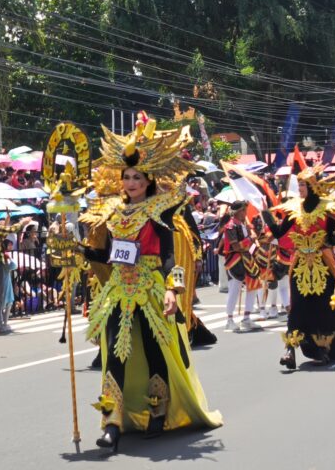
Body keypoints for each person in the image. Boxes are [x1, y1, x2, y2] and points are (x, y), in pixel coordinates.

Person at [79, 118, 222, 451]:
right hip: (117, 289)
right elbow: (104, 253)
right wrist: (72, 250)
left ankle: (158, 411)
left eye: (137, 178)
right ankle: (111, 421)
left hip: (151, 287)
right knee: (115, 352)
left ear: (148, 180)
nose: (130, 183)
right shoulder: (111, 212)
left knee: (157, 350)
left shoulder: (160, 210)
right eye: (127, 177)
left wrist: (172, 290)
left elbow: (171, 258)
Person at [264, 165, 335, 369]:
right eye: (299, 184)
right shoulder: (293, 208)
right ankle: (289, 349)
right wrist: (264, 212)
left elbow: (331, 237)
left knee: (323, 308)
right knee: (297, 308)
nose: (300, 188)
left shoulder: (327, 208)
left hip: (322, 263)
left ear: (312, 185)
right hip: (301, 264)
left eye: (303, 184)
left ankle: (322, 347)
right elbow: (278, 232)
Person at [221, 200, 263, 331]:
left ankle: (246, 318)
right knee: (234, 288)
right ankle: (229, 319)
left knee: (253, 286)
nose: (246, 213)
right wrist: (250, 239)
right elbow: (236, 246)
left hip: (247, 258)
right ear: (239, 212)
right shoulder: (230, 227)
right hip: (235, 260)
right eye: (244, 210)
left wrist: (255, 235)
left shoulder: (244, 224)